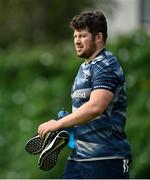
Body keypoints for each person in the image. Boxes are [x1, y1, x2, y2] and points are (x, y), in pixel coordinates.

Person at [38, 11, 132, 179]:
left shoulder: (106, 65)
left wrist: (58, 123)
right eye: (75, 36)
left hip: (107, 159)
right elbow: (85, 112)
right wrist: (70, 125)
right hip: (79, 159)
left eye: (82, 36)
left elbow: (96, 107)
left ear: (98, 37)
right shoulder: (84, 67)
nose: (77, 41)